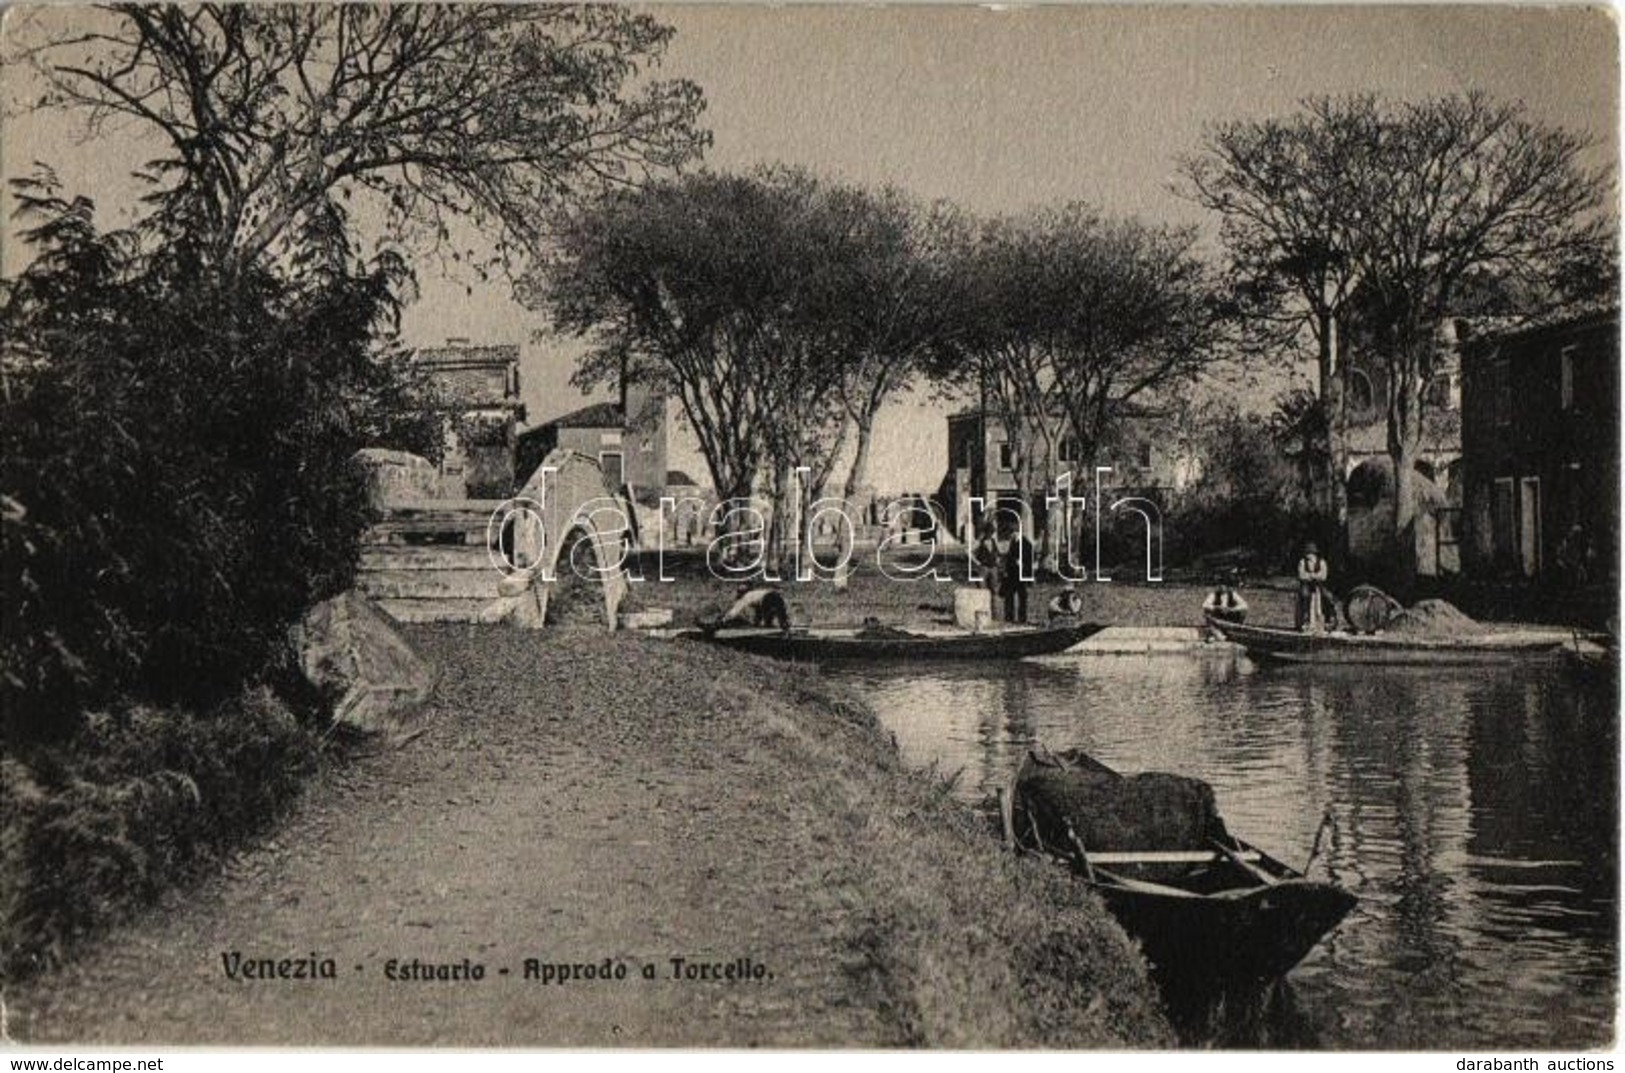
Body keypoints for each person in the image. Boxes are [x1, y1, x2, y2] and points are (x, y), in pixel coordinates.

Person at [715, 583, 791, 633]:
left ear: (741, 593)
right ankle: (786, 629)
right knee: (782, 621)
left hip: (767, 599)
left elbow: (735, 611)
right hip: (776, 596)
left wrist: (724, 619)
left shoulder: (746, 597)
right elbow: (759, 610)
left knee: (767, 625)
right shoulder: (755, 593)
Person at [1000, 516, 1035, 625]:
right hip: (1011, 575)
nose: (1010, 536)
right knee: (1009, 596)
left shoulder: (1026, 544)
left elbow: (1030, 561)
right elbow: (1010, 558)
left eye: (1011, 534)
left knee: (1022, 597)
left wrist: (1022, 564)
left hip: (1021, 574)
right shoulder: (1013, 542)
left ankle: (1022, 618)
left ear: (1015, 532)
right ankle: (1009, 617)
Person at [1295, 541, 1331, 632]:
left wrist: (1311, 576)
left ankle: (1328, 620)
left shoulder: (1322, 562)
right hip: (1306, 584)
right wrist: (1313, 576)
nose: (1309, 555)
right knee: (1305, 595)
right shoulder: (1302, 562)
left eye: (1310, 553)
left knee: (1327, 597)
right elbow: (1301, 575)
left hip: (1319, 584)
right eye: (1307, 553)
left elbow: (1323, 576)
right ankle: (1305, 621)